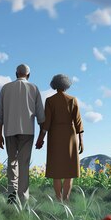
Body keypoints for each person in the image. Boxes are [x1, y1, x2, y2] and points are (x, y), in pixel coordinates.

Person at [0, 64, 45, 204]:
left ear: (16, 73)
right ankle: (23, 198)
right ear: (28, 75)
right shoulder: (34, 88)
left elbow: (0, 113)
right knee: (23, 165)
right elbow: (41, 116)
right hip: (27, 131)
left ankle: (11, 197)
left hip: (9, 131)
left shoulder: (5, 88)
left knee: (11, 162)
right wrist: (42, 135)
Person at [36, 74, 84, 202]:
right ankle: (66, 198)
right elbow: (78, 121)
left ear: (54, 85)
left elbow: (46, 124)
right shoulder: (72, 99)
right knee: (69, 170)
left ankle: (58, 199)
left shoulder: (50, 101)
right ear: (66, 85)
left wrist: (40, 138)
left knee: (56, 171)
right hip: (70, 135)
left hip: (55, 136)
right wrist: (81, 140)